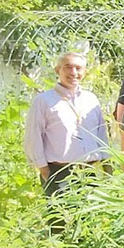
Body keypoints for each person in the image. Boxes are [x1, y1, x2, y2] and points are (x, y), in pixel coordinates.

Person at [24, 52, 109, 196]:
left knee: (90, 218)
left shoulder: (91, 99)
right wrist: (44, 170)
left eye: (78, 68)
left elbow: (101, 134)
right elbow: (33, 137)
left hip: (88, 172)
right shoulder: (44, 101)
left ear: (85, 72)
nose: (73, 72)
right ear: (58, 70)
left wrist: (107, 167)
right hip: (59, 173)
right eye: (68, 67)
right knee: (61, 218)